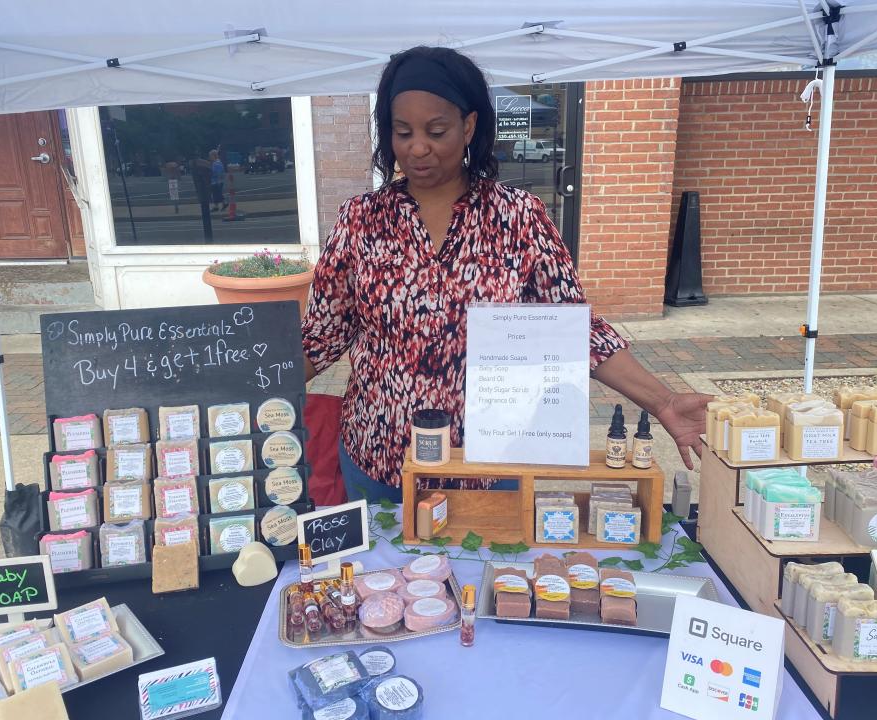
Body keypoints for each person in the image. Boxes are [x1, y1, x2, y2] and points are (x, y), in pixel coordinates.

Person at [302, 46, 711, 504]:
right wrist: (243, 385)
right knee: (381, 577)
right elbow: (320, 336)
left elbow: (576, 331)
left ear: (469, 126)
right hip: (377, 459)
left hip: (489, 464)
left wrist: (663, 401)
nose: (418, 147)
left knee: (485, 574)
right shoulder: (361, 219)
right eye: (403, 131)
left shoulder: (518, 217)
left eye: (436, 130)